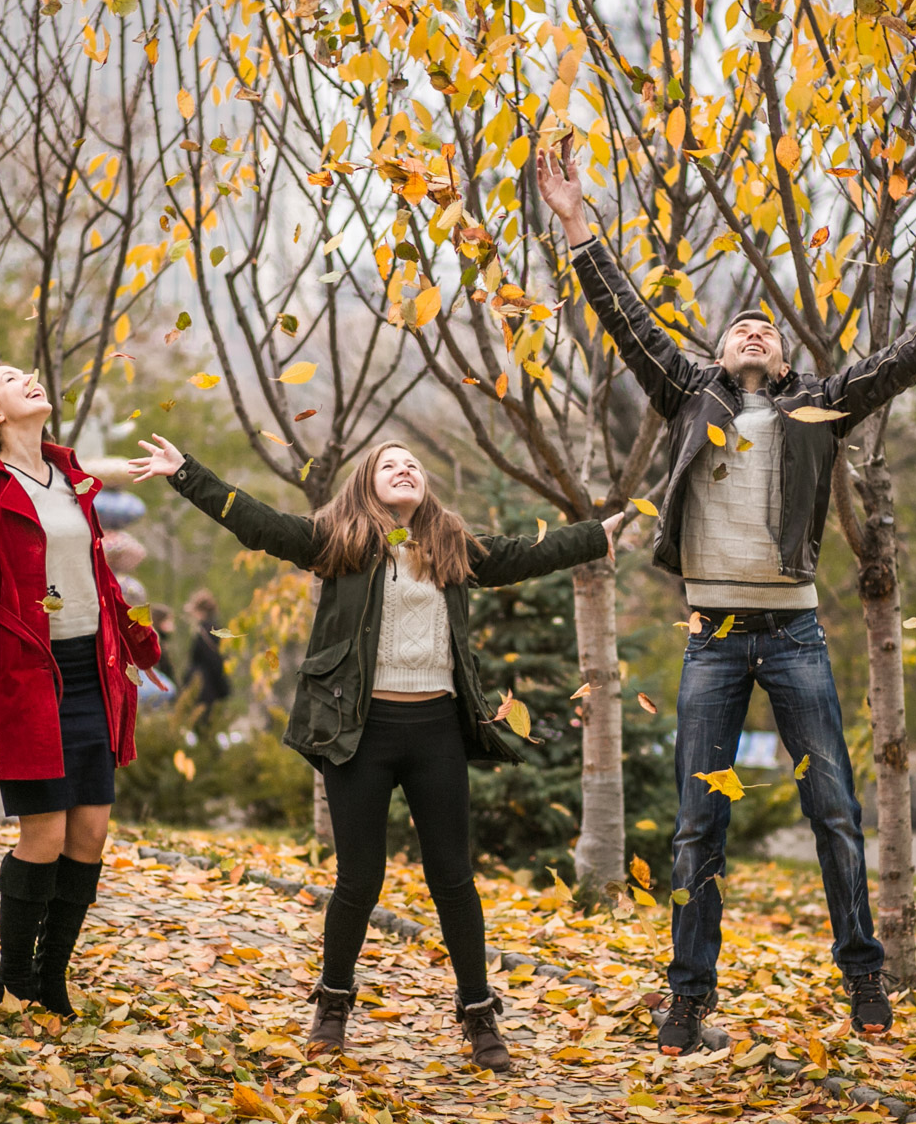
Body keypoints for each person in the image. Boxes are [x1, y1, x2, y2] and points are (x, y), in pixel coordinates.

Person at [536, 135, 916, 1049]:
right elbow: (631, 320)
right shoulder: (689, 393)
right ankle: (688, 1001)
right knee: (696, 826)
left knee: (835, 814)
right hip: (713, 635)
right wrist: (577, 226)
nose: (754, 329)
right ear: (720, 354)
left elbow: (900, 361)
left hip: (795, 636)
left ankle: (866, 984)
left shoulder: (816, 409)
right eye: (739, 326)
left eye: (768, 327)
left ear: (788, 358)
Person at [131, 434, 618, 1073]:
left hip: (437, 730)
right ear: (367, 483)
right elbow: (260, 524)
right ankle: (332, 1005)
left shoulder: (450, 546)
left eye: (413, 463)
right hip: (358, 732)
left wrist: (596, 535)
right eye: (390, 464)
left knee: (453, 878)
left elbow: (528, 553)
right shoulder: (340, 542)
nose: (406, 468)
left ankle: (478, 1015)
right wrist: (186, 471)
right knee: (360, 879)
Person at [0, 364, 163, 1018]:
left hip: (90, 670)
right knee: (44, 835)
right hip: (24, 673)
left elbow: (96, 573)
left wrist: (137, 640)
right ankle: (15, 976)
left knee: (89, 834)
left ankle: (51, 978)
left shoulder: (71, 477)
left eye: (27, 372)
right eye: (8, 377)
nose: (27, 377)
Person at [183, 588, 233, 720]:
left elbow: (213, 662)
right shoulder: (215, 630)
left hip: (205, 690)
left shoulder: (204, 633)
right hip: (211, 689)